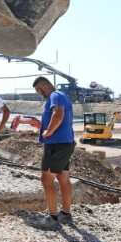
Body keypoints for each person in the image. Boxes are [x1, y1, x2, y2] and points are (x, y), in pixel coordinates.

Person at [32, 76, 76, 229]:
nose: (39, 93)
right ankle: (65, 213)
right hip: (66, 143)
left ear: (43, 85)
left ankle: (53, 218)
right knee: (63, 178)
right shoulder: (63, 95)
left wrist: (47, 132)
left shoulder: (55, 96)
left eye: (38, 90)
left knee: (46, 179)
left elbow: (58, 114)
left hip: (56, 144)